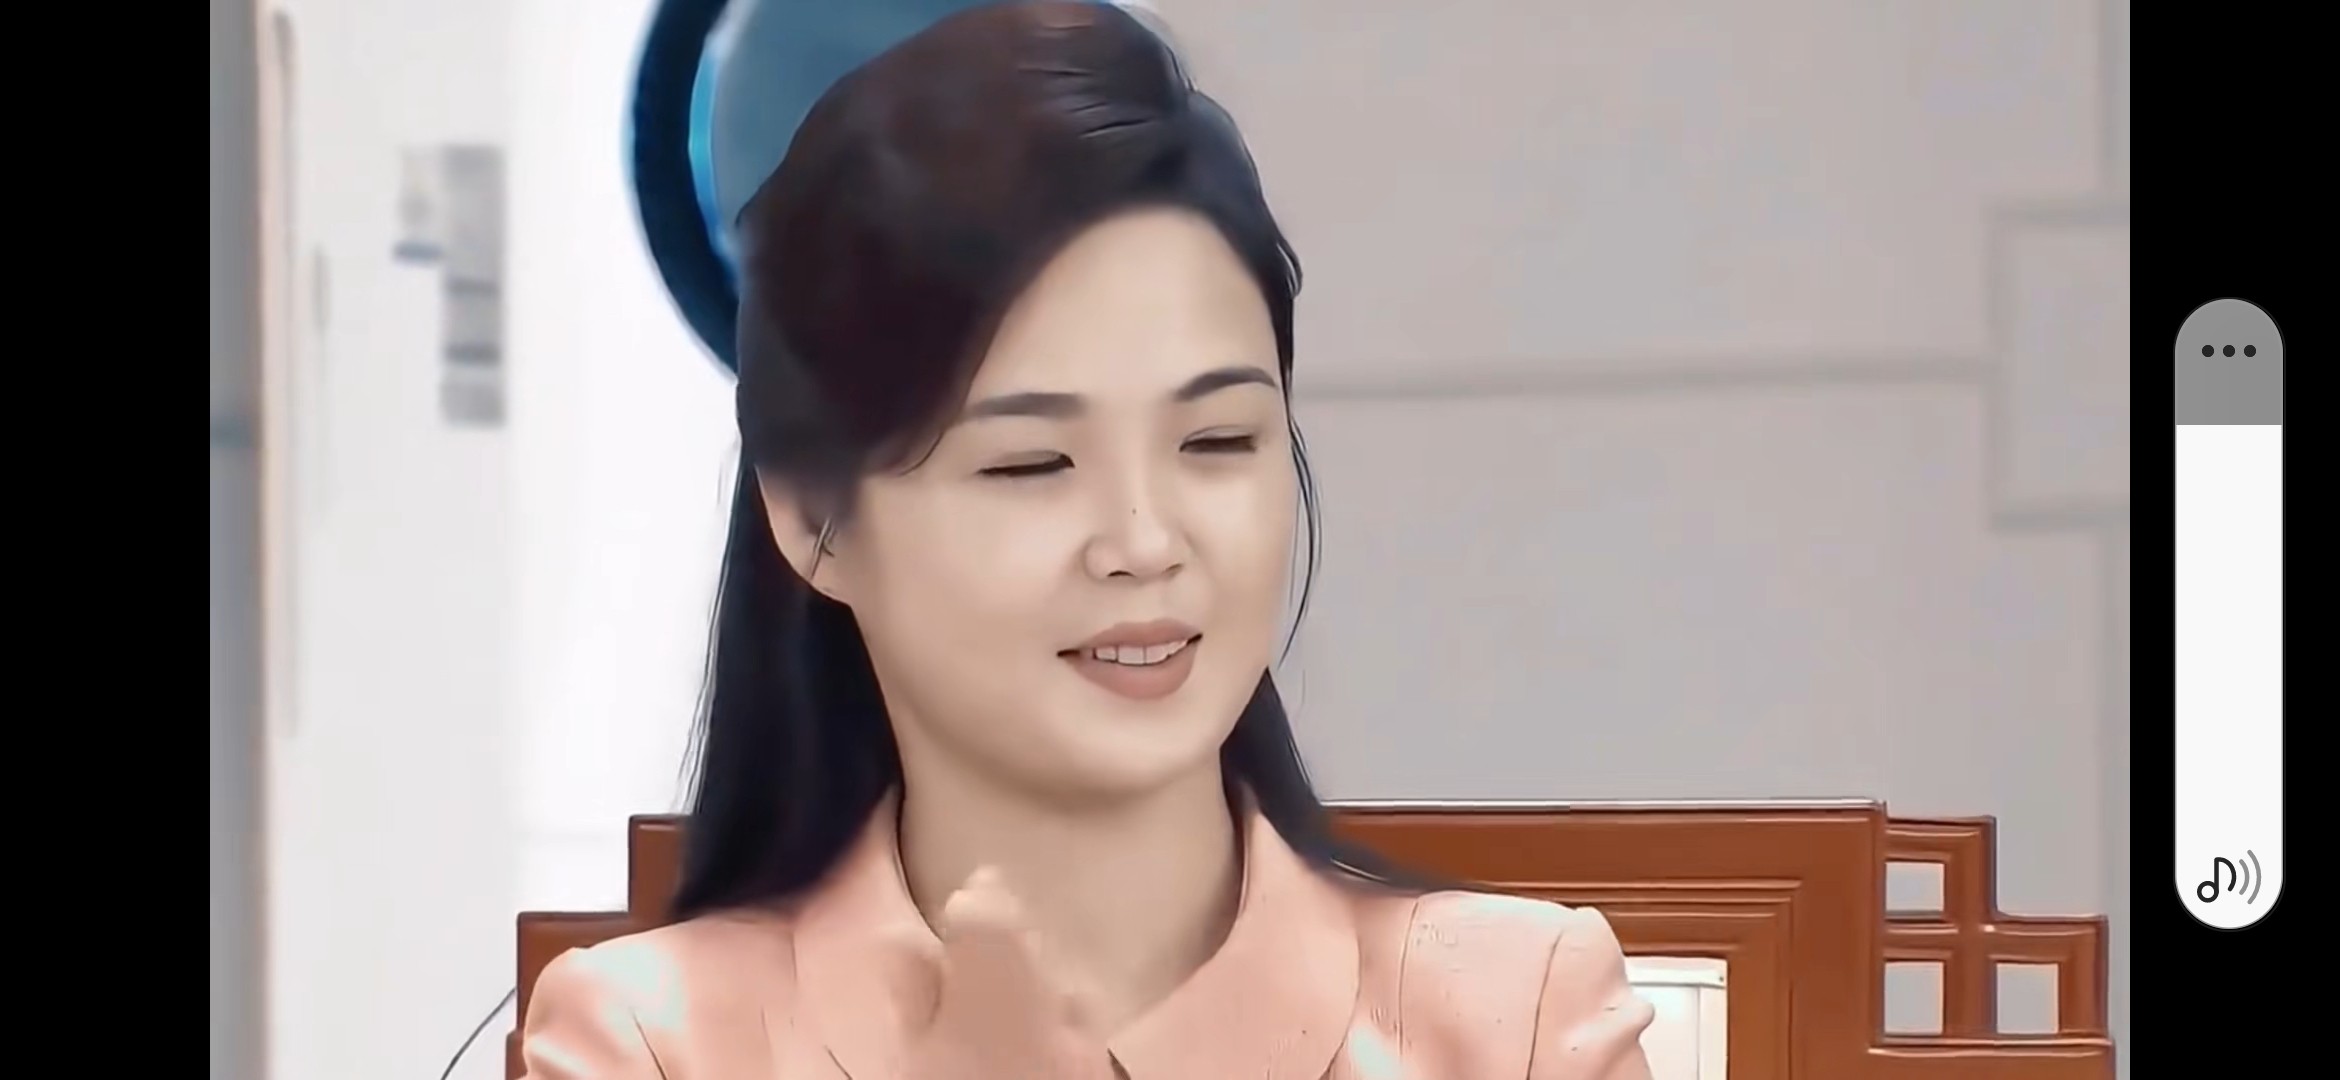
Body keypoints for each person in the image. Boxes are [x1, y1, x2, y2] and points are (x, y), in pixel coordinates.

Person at [520, 2, 1656, 1076]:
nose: (1145, 542)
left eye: (1216, 441)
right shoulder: (652, 1041)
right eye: (1032, 464)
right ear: (814, 519)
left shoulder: (1517, 1016)